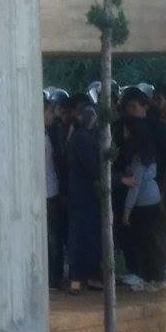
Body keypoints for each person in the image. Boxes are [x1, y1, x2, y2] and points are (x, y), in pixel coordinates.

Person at [120, 117, 166, 290]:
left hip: (142, 203)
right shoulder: (149, 153)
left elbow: (134, 185)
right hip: (154, 198)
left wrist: (126, 211)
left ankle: (149, 276)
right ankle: (156, 275)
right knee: (152, 239)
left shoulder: (138, 158)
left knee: (144, 241)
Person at [66, 105, 102, 294]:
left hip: (81, 193)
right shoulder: (82, 138)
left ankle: (84, 277)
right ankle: (78, 278)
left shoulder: (77, 137)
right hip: (83, 194)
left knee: (85, 235)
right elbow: (92, 167)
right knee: (81, 235)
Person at [44, 97, 64, 290]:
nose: (52, 115)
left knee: (53, 237)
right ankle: (52, 275)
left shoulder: (49, 133)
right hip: (46, 192)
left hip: (51, 190)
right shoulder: (39, 136)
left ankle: (55, 276)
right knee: (51, 237)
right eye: (49, 112)